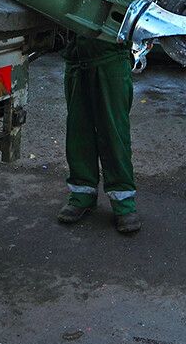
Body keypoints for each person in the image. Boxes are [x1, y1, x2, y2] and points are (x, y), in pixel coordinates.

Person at [56, 33, 141, 234]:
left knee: (114, 135)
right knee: (78, 132)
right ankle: (82, 195)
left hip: (112, 59)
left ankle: (124, 204)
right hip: (76, 61)